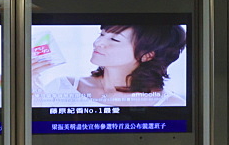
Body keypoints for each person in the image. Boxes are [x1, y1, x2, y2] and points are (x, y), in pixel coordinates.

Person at [32, 24, 187, 107]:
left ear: (147, 55)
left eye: (115, 40)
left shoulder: (169, 103)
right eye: (102, 34)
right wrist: (32, 85)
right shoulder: (63, 86)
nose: (98, 43)